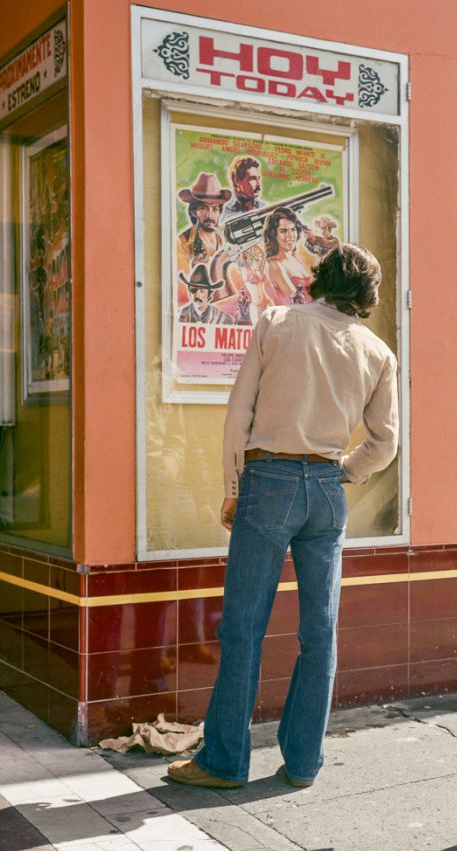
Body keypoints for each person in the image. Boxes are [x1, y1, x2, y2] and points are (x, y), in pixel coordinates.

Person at [168, 244, 399, 790]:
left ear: (320, 278)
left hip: (269, 482)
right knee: (319, 631)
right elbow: (385, 444)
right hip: (325, 488)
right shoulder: (377, 351)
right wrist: (343, 471)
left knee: (244, 627)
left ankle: (224, 762)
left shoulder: (277, 321)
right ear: (366, 294)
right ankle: (301, 763)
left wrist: (232, 486)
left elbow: (239, 413)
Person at [176, 172, 230, 269]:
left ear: (220, 212)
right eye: (203, 208)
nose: (210, 215)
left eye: (215, 209)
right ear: (194, 212)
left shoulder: (227, 239)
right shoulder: (183, 242)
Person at [263, 206, 314, 305]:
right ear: (274, 235)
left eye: (293, 229)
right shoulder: (275, 265)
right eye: (283, 231)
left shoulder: (294, 258)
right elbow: (296, 302)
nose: (290, 235)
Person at [220, 154, 263, 224]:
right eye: (252, 179)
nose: (258, 184)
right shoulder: (223, 212)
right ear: (237, 180)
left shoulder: (263, 208)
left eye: (258, 179)